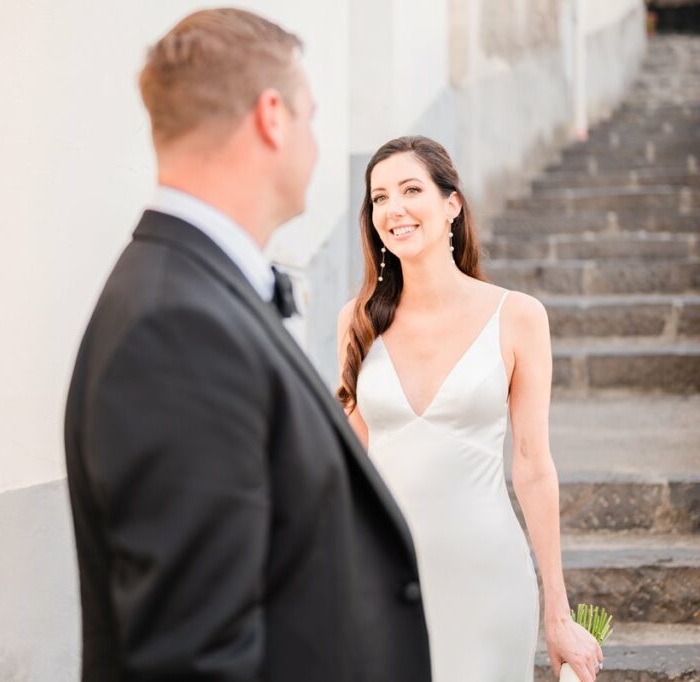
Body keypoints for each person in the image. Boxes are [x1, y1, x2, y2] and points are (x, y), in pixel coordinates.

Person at [64, 10, 431, 682]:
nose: (318, 147)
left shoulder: (194, 291)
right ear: (272, 117)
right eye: (311, 117)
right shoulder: (176, 328)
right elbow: (195, 658)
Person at [336, 136, 604, 682]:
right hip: (383, 580)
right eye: (379, 197)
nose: (394, 208)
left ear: (451, 203)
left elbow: (532, 466)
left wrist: (558, 611)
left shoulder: (517, 317)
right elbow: (347, 467)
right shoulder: (358, 320)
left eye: (411, 190)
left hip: (486, 579)